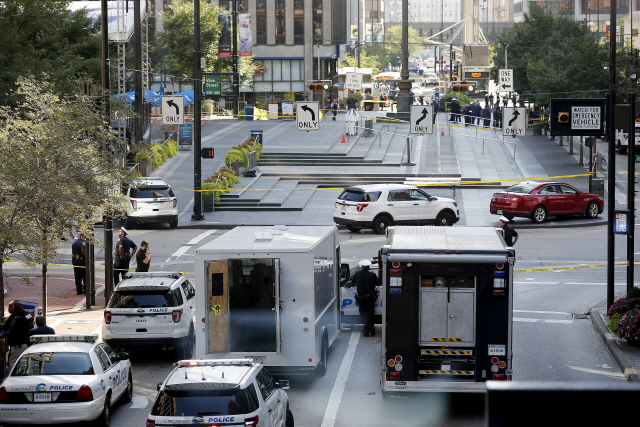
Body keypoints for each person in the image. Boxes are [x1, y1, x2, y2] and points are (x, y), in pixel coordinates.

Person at [2, 301, 33, 373]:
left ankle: (11, 379)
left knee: (12, 362)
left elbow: (11, 330)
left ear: (16, 309)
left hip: (18, 345)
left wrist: (1, 336)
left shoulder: (19, 318)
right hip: (27, 343)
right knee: (24, 362)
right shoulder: (28, 315)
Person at [353, 259, 379, 337]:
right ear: (369, 266)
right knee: (370, 313)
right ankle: (370, 328)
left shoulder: (357, 274)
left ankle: (367, 329)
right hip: (370, 298)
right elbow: (378, 283)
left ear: (361, 266)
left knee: (363, 313)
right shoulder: (372, 275)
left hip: (361, 298)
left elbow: (352, 283)